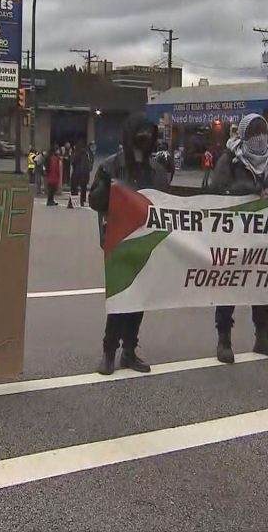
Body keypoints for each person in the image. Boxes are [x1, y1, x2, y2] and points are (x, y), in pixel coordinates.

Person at [89, 114, 170, 375]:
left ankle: (129, 351)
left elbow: (165, 204)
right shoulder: (110, 166)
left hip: (146, 241)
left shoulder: (155, 170)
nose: (144, 142)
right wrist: (107, 188)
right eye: (140, 136)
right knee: (121, 297)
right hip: (119, 240)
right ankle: (108, 350)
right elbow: (94, 201)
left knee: (139, 300)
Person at [209, 113, 268, 363]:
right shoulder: (230, 159)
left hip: (261, 234)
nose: (259, 139)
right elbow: (217, 190)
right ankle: (224, 339)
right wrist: (252, 192)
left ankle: (263, 337)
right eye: (254, 134)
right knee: (230, 285)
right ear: (244, 136)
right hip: (234, 234)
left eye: (262, 133)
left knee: (261, 286)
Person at [71, 141, 94, 207]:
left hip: (77, 174)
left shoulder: (77, 153)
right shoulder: (87, 153)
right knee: (83, 188)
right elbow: (89, 164)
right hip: (85, 174)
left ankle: (75, 202)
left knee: (75, 188)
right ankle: (82, 201)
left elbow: (73, 162)